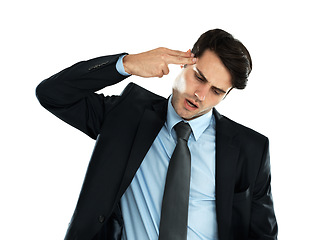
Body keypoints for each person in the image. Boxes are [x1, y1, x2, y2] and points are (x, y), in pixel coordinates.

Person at [36, 29, 278, 240]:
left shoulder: (250, 150)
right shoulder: (127, 115)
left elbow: (262, 235)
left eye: (216, 91)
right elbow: (52, 94)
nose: (201, 95)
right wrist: (126, 63)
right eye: (199, 77)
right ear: (185, 62)